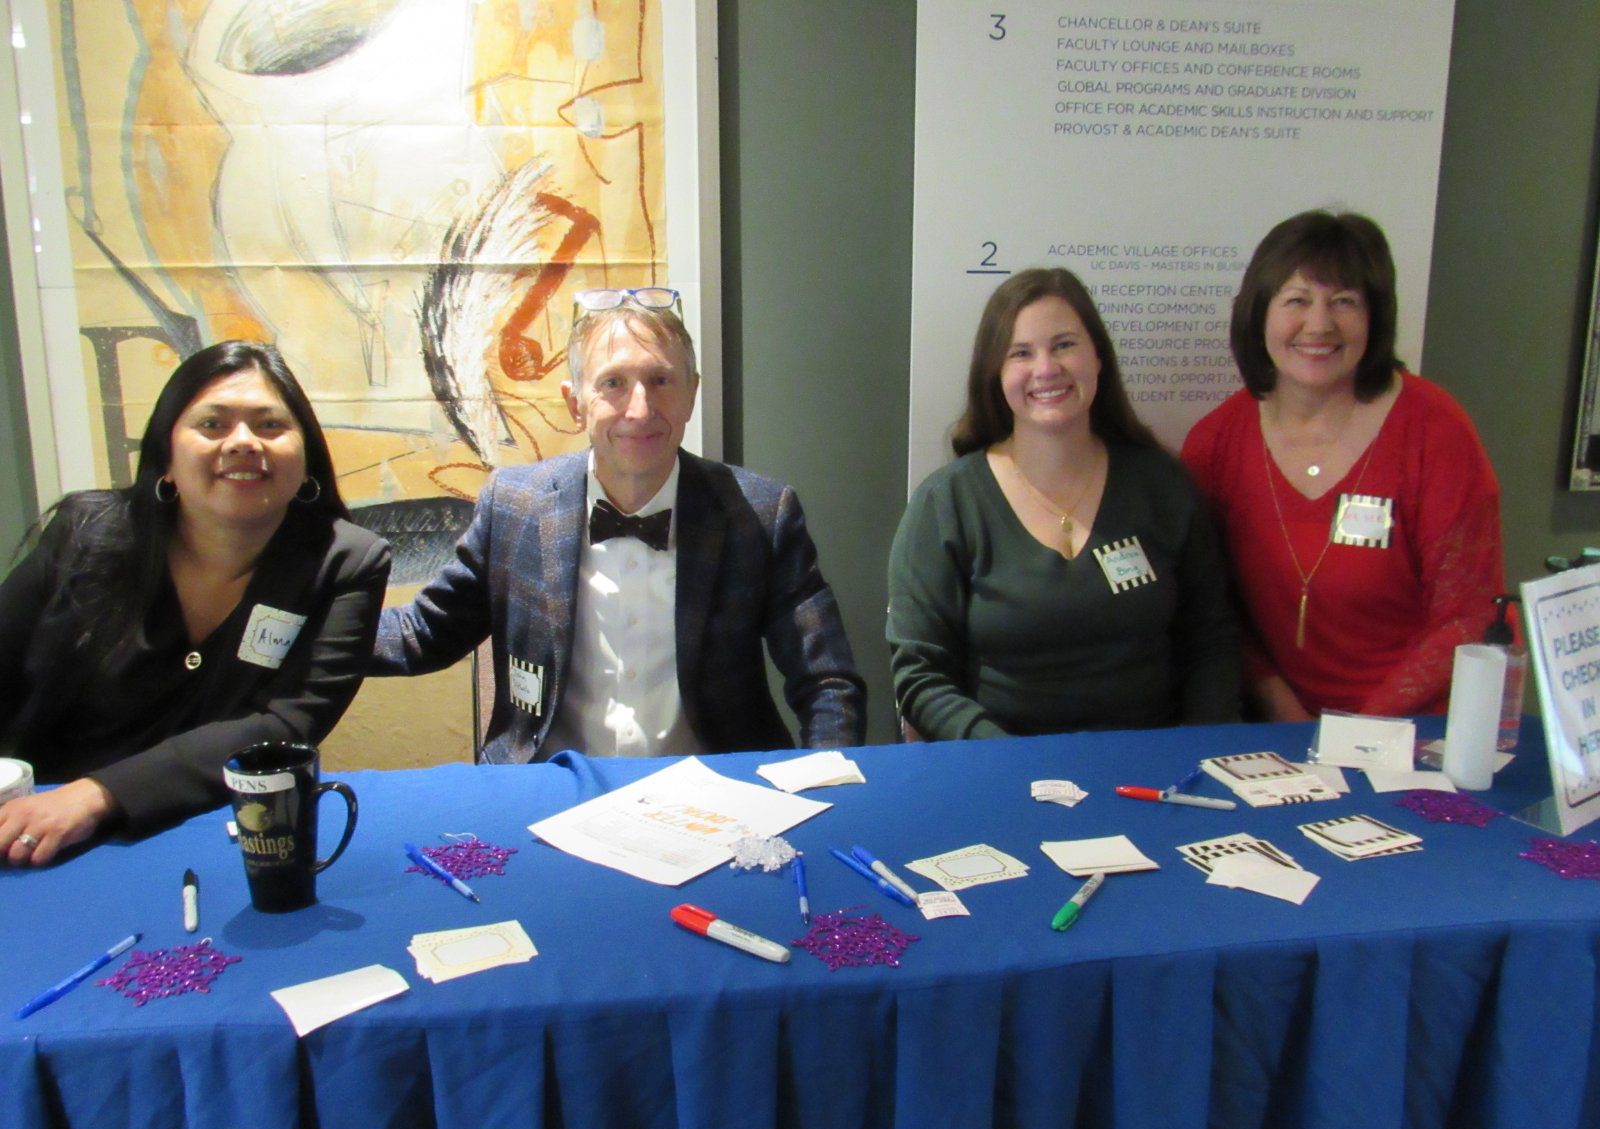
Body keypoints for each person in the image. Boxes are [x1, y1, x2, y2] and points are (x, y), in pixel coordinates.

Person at [370, 287, 866, 758]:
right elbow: (423, 635)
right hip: (552, 791)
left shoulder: (760, 513)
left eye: (660, 380)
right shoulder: (513, 506)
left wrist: (822, 787)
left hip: (716, 796)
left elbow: (826, 682)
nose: (640, 408)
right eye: (613, 383)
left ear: (692, 393)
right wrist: (303, 625)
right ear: (575, 401)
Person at [0, 341, 391, 865]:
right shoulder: (85, 534)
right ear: (166, 458)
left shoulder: (347, 562)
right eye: (213, 425)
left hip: (213, 832)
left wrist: (97, 795)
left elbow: (284, 724)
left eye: (270, 425)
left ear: (306, 457)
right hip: (39, 823)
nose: (243, 442)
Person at [888, 267, 1240, 740]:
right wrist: (1005, 757)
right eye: (1021, 353)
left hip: (1149, 770)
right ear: (995, 373)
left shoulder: (1163, 486)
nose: (1046, 368)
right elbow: (919, 673)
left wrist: (1194, 750)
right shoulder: (946, 504)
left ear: (1098, 356)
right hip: (1000, 770)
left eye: (1064, 345)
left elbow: (1211, 642)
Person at [1181, 210, 1504, 719]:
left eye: (1344, 302)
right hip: (1275, 729)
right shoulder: (1216, 443)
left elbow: (1467, 617)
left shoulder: (1435, 432)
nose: (1320, 324)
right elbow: (1211, 605)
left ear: (1375, 317)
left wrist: (1360, 730)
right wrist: (1280, 705)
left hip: (1413, 730)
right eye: (1297, 301)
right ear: (1259, 313)